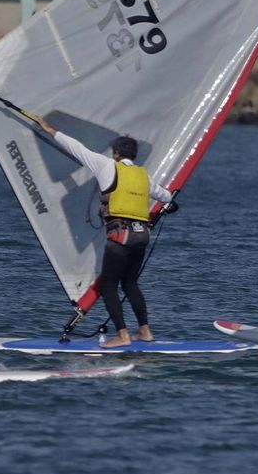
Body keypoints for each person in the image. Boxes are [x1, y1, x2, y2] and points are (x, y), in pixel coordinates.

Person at [31, 115, 176, 348]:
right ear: (133, 155)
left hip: (121, 236)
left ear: (116, 153)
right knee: (130, 283)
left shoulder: (107, 165)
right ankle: (146, 332)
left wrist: (49, 129)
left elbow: (76, 148)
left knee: (108, 284)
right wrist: (170, 201)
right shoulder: (143, 175)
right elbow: (166, 196)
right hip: (142, 235)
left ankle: (123, 335)